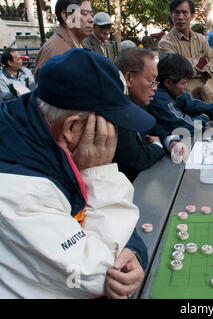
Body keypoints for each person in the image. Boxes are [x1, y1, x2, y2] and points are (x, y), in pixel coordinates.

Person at [0, 48, 152, 298]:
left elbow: (112, 235)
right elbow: (99, 273)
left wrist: (134, 252)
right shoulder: (20, 191)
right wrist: (101, 173)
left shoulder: (34, 123)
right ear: (72, 126)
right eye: (108, 126)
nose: (113, 137)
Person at [113, 48, 188, 182]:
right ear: (129, 78)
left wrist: (171, 142)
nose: (155, 88)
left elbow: (153, 126)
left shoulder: (137, 103)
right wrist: (157, 146)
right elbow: (135, 159)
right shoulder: (115, 113)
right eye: (151, 81)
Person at [148, 53, 213, 136]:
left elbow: (190, 104)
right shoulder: (159, 99)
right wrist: (204, 118)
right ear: (168, 82)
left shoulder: (174, 91)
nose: (186, 86)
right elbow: (185, 126)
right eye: (183, 83)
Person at [158, 0, 213, 106]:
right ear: (172, 15)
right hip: (186, 102)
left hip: (210, 96)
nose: (181, 17)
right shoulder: (165, 43)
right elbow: (176, 71)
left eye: (185, 12)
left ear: (192, 15)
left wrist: (193, 67)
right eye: (177, 12)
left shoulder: (201, 39)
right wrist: (202, 63)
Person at [34, 0, 94, 80]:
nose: (91, 19)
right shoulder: (55, 50)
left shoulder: (81, 45)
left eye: (91, 14)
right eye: (84, 13)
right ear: (66, 16)